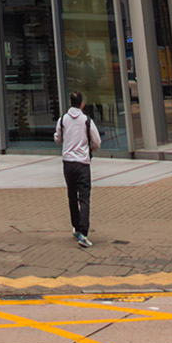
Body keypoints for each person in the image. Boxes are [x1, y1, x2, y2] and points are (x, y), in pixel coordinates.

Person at [54, 89, 100, 247]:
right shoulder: (86, 120)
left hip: (68, 163)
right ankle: (83, 233)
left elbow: (58, 138)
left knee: (72, 196)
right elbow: (97, 141)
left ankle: (76, 227)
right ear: (81, 104)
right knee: (84, 197)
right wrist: (90, 149)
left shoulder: (63, 119)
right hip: (82, 163)